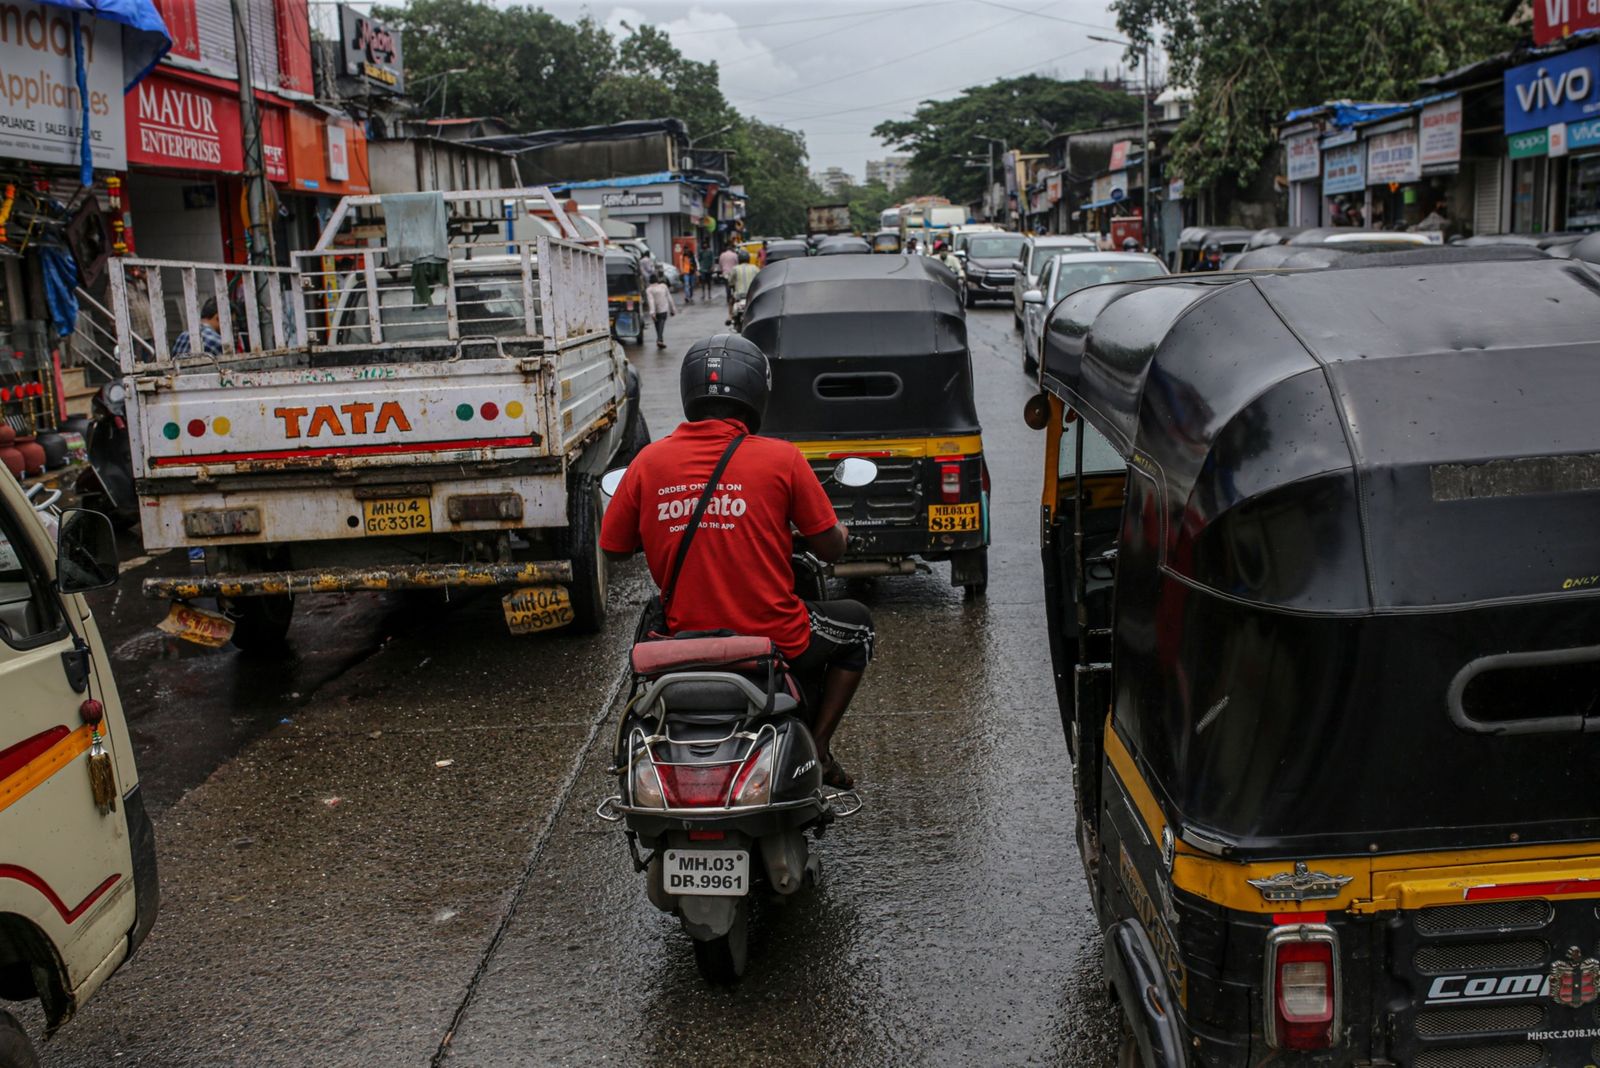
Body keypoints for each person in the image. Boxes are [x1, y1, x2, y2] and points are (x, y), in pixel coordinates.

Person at [599, 335, 872, 787]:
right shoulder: (782, 459)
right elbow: (829, 548)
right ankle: (819, 748)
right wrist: (839, 532)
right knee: (858, 625)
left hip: (682, 638)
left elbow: (613, 548)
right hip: (777, 640)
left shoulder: (649, 463)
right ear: (756, 393)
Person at [726, 250, 760, 324]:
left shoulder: (735, 268)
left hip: (739, 295)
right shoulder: (754, 268)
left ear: (739, 259)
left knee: (730, 300)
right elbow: (760, 280)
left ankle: (730, 316)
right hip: (752, 295)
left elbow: (730, 281)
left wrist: (732, 284)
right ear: (748, 259)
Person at [645, 269, 676, 349]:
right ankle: (660, 339)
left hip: (655, 311)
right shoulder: (663, 286)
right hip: (663, 310)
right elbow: (669, 298)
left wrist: (652, 312)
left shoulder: (649, 289)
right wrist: (673, 309)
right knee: (661, 324)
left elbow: (651, 301)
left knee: (657, 325)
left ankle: (659, 339)